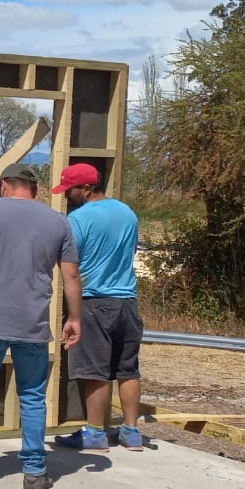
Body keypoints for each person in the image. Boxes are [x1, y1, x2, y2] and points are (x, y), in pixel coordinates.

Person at [0, 162, 82, 489]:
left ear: (4, 186)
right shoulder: (58, 221)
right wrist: (74, 318)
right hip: (32, 322)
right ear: (35, 190)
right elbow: (70, 275)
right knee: (33, 396)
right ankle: (35, 471)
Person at [49, 162, 145, 453]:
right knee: (128, 369)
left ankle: (94, 434)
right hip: (127, 302)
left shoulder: (78, 219)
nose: (67, 195)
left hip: (94, 301)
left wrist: (73, 312)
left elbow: (70, 264)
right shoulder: (127, 213)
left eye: (70, 190)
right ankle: (131, 432)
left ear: (88, 188)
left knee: (95, 371)